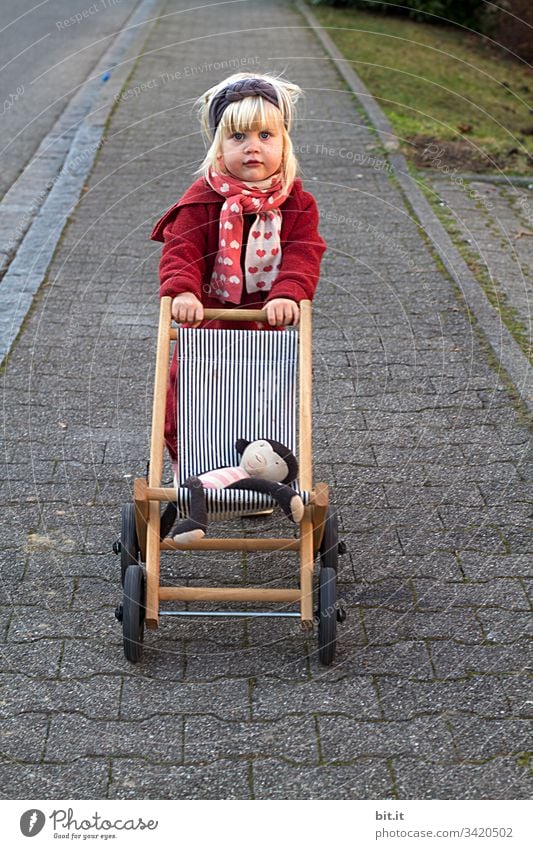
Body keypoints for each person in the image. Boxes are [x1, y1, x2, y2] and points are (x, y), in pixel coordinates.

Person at [151, 72, 326, 462]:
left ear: (284, 143)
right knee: (188, 395)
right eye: (238, 137)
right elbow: (182, 248)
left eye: (266, 136)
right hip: (210, 319)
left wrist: (288, 294)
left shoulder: (297, 203)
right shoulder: (203, 199)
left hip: (266, 322)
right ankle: (195, 462)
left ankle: (261, 470)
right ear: (218, 147)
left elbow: (304, 252)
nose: (252, 148)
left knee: (264, 404)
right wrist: (182, 290)